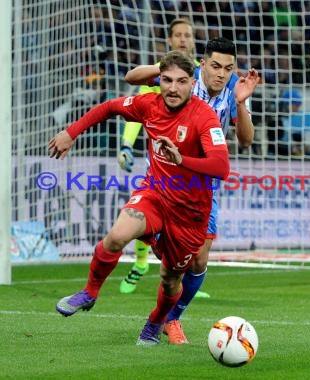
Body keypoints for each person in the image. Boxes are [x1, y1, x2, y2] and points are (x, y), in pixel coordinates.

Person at [49, 51, 230, 346]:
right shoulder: (149, 104)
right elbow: (108, 108)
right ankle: (90, 292)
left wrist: (181, 158)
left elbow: (221, 167)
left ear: (192, 83)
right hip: (155, 195)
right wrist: (71, 132)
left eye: (182, 82)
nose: (173, 88)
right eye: (167, 81)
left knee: (171, 279)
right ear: (159, 80)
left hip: (190, 214)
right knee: (117, 236)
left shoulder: (204, 117)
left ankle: (155, 323)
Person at [122, 38, 259, 344]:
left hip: (201, 189)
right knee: (170, 257)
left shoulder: (233, 89)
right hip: (164, 183)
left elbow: (247, 141)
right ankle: (154, 258)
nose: (221, 74)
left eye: (227, 68)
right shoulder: (181, 83)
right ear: (202, 65)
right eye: (214, 66)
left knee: (198, 260)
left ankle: (171, 318)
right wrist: (165, 68)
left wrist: (240, 102)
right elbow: (131, 78)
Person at [116, 18, 198, 297]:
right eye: (178, 35)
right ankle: (140, 264)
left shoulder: (201, 72)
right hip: (163, 159)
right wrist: (126, 144)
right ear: (170, 41)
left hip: (196, 165)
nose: (183, 40)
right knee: (146, 214)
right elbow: (135, 109)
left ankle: (183, 278)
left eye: (188, 35)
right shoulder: (160, 76)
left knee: (188, 225)